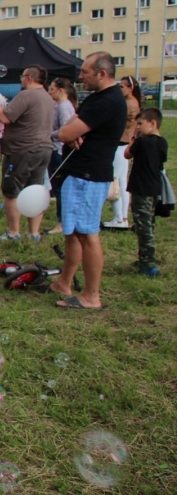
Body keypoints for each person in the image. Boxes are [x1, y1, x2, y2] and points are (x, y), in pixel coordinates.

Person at [50, 52, 127, 311]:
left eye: (85, 72)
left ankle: (92, 296)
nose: (80, 76)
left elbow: (65, 131)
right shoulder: (97, 98)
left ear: (101, 74)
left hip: (89, 177)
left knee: (87, 234)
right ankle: (64, 282)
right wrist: (71, 131)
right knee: (73, 233)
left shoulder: (107, 101)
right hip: (80, 174)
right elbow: (72, 123)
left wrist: (69, 133)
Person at [0, 65, 55, 242]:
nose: (21, 79)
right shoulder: (47, 97)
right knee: (35, 190)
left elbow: (5, 117)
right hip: (43, 149)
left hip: (22, 150)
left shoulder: (26, 95)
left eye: (22, 76)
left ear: (29, 78)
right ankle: (34, 233)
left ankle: (13, 233)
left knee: (12, 191)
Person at [124, 108, 167, 277]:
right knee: (149, 222)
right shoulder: (163, 142)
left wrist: (133, 138)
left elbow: (127, 154)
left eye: (140, 124)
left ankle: (148, 262)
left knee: (143, 226)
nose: (138, 127)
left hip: (141, 188)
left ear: (152, 123)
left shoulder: (141, 142)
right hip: (155, 187)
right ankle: (144, 258)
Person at [104, 76, 143, 228]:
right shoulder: (133, 102)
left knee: (116, 181)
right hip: (123, 144)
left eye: (122, 86)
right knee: (121, 181)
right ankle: (122, 217)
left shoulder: (128, 104)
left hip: (121, 144)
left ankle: (120, 218)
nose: (119, 89)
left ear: (130, 88)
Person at [46, 77, 79, 235]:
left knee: (59, 189)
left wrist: (48, 134)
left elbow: (66, 130)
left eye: (52, 89)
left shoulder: (64, 107)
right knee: (58, 187)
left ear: (61, 90)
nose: (49, 92)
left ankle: (62, 223)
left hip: (58, 150)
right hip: (57, 149)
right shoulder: (60, 105)